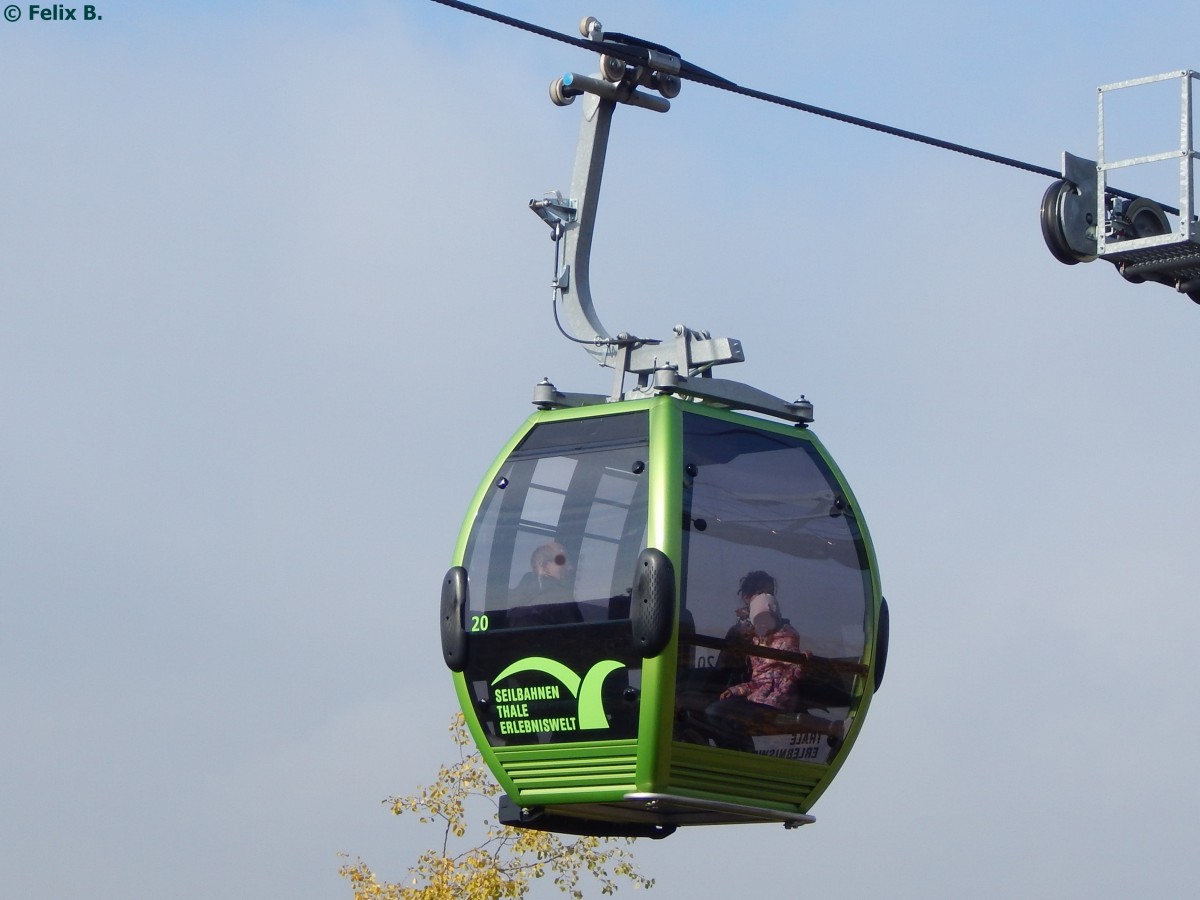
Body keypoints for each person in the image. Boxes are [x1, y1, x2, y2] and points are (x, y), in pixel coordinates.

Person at [705, 571, 805, 746]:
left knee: (717, 712)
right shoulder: (740, 632)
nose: (766, 598)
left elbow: (786, 671)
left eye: (770, 594)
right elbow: (722, 670)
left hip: (767, 697)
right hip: (743, 690)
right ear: (746, 598)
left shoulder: (783, 634)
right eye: (760, 593)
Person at [507, 541, 582, 625]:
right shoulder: (561, 599)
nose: (570, 567)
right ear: (544, 566)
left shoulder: (513, 603)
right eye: (562, 560)